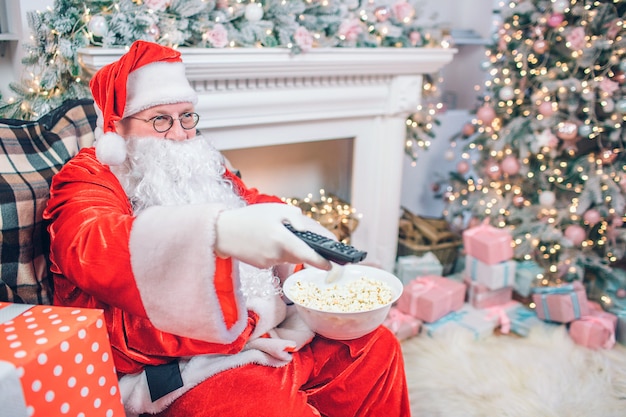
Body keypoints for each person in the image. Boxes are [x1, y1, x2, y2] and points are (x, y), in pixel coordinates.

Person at [43, 40, 411, 417]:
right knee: (260, 405)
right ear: (118, 128)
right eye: (159, 119)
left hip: (267, 323)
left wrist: (298, 228)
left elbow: (252, 200)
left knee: (375, 347)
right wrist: (220, 233)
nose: (179, 133)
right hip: (186, 358)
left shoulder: (197, 164)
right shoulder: (90, 176)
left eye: (186, 116)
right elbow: (89, 242)